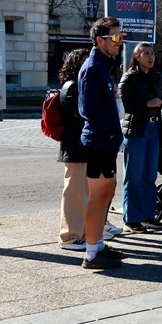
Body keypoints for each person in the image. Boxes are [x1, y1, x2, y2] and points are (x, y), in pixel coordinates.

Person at [77, 17, 128, 270]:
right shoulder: (92, 68)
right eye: (116, 37)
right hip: (98, 142)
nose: (120, 42)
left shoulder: (103, 66)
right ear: (100, 40)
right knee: (97, 197)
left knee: (106, 194)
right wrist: (109, 135)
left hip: (106, 141)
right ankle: (91, 253)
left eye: (121, 37)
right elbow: (88, 110)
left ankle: (97, 246)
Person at [119, 42, 162, 233]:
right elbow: (126, 105)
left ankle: (148, 215)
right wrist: (147, 104)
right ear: (137, 56)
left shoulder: (156, 77)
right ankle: (131, 219)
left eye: (152, 53)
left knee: (150, 175)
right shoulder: (129, 77)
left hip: (154, 128)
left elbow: (158, 100)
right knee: (134, 176)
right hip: (136, 130)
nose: (151, 57)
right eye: (146, 53)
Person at [57, 49, 93, 251]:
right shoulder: (71, 87)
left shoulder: (79, 86)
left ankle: (81, 233)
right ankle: (69, 236)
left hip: (82, 146)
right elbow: (82, 113)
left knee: (83, 193)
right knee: (74, 193)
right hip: (74, 146)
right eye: (84, 61)